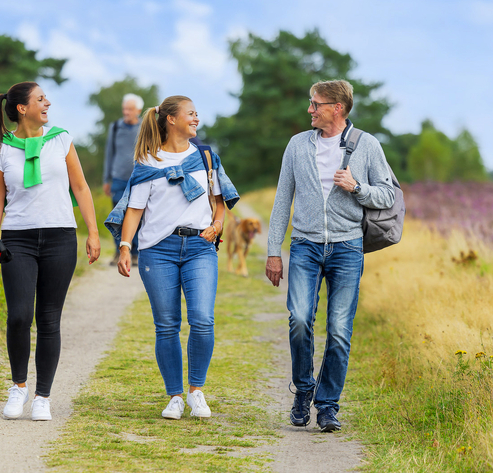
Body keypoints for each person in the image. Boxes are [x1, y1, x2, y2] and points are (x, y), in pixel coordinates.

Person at [265, 80, 395, 432]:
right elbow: (282, 201)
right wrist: (273, 251)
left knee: (339, 329)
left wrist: (358, 188)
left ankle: (327, 406)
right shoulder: (297, 146)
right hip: (305, 246)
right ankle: (303, 390)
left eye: (316, 104)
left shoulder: (366, 146)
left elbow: (389, 196)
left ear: (337, 107)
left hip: (347, 247)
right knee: (300, 319)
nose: (310, 109)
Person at [106, 96, 239, 420]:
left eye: (196, 113)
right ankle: (175, 396)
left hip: (200, 248)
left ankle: (196, 391)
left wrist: (217, 223)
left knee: (202, 319)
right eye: (190, 113)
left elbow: (218, 201)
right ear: (171, 120)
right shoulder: (147, 163)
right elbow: (134, 211)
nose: (196, 118)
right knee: (166, 325)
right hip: (157, 252)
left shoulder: (206, 157)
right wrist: (125, 246)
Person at [0, 81, 101, 421]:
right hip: (17, 239)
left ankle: (42, 396)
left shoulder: (61, 139)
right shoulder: (1, 149)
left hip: (60, 237)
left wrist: (92, 232)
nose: (47, 103)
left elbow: (80, 187)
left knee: (49, 318)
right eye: (40, 99)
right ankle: (18, 387)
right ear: (22, 108)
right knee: (19, 316)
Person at [103, 94, 143, 265]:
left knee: (138, 215)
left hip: (139, 178)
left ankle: (134, 252)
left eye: (130, 109)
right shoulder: (115, 127)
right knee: (118, 216)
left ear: (139, 111)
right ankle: (119, 251)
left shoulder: (145, 127)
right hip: (118, 179)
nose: (126, 112)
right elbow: (109, 154)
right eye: (124, 109)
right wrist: (107, 179)